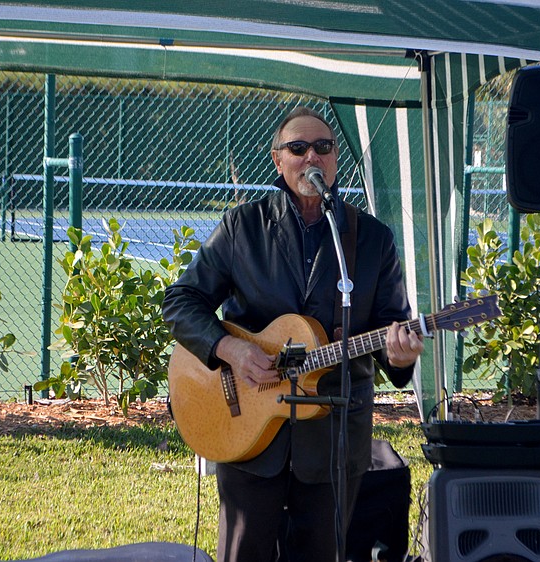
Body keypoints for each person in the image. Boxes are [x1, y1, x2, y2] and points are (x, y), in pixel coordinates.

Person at [162, 106, 424, 562]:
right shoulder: (242, 227)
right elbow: (181, 302)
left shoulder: (372, 239)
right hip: (243, 423)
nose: (311, 158)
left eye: (323, 147)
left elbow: (391, 330)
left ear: (336, 159)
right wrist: (232, 349)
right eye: (298, 148)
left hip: (333, 440)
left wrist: (401, 357)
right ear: (277, 159)